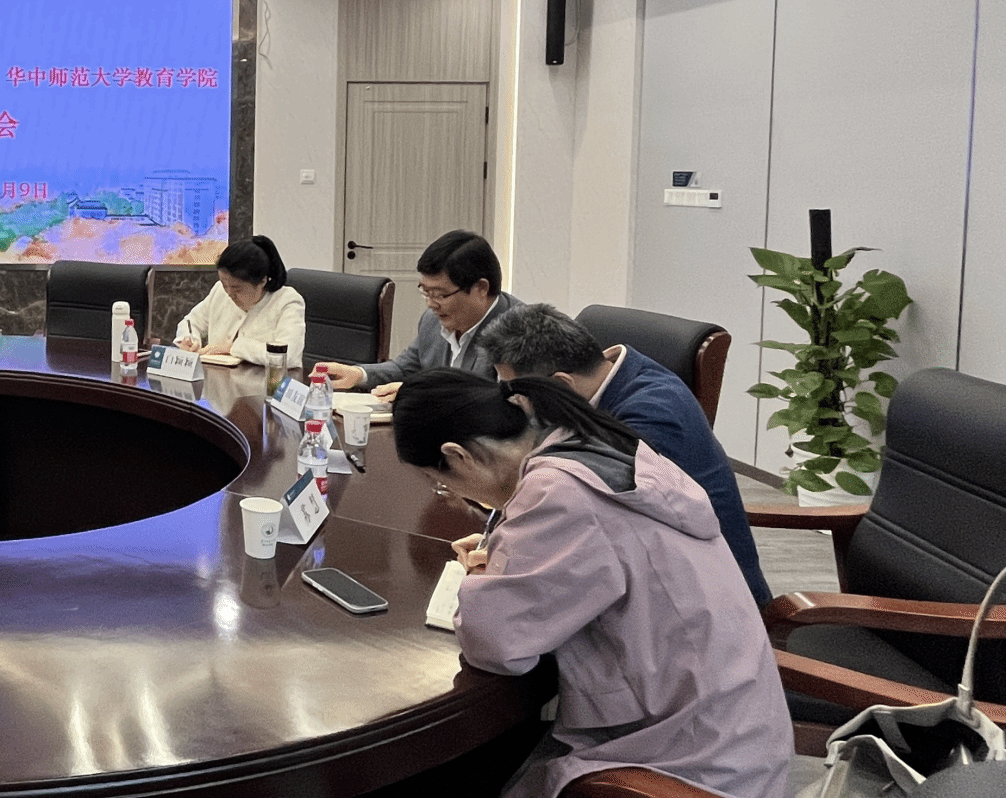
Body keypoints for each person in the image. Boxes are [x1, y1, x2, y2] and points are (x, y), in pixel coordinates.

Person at [391, 369, 790, 798]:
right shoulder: (589, 442)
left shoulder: (557, 492)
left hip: (686, 763)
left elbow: (497, 644)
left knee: (448, 778)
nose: (449, 493)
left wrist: (482, 575)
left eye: (440, 483)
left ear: (457, 455)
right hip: (737, 728)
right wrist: (512, 550)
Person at [478, 303, 771, 606]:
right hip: (648, 568)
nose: (517, 405)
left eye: (519, 395)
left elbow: (586, 520)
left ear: (561, 384)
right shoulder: (611, 376)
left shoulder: (651, 418)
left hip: (709, 602)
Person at [322, 229, 518, 399]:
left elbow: (502, 404)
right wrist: (358, 374)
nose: (431, 304)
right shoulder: (432, 320)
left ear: (481, 288)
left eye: (440, 294)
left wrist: (421, 395)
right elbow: (406, 368)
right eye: (426, 291)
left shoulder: (518, 332)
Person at [173, 235, 305, 364]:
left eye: (237, 289)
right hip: (218, 376)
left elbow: (287, 355)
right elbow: (191, 323)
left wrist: (232, 348)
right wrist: (190, 340)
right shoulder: (220, 291)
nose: (229, 293)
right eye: (224, 284)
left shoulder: (287, 301)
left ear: (262, 282)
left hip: (264, 378)